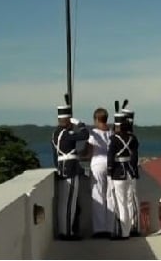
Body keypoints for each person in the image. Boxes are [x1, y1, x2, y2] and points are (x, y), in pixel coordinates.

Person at [52, 97, 89, 240]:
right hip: (71, 170)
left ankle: (64, 231)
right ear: (67, 120)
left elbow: (55, 155)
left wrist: (58, 168)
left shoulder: (55, 133)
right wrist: (80, 123)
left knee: (63, 203)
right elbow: (85, 135)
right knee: (70, 203)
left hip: (62, 169)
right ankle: (67, 232)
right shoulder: (66, 133)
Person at [107, 111, 139, 240]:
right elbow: (134, 157)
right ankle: (130, 229)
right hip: (130, 172)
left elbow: (110, 158)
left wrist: (109, 172)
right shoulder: (133, 139)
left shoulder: (114, 139)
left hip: (118, 173)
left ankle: (123, 233)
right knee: (129, 202)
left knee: (121, 204)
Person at [83, 107, 113, 238]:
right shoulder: (112, 133)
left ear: (96, 119)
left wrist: (80, 156)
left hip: (97, 165)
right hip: (111, 165)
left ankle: (100, 229)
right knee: (110, 196)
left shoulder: (93, 133)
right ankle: (111, 227)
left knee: (98, 196)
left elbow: (88, 153)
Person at [121, 99, 140, 236]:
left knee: (131, 200)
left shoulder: (130, 138)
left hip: (129, 171)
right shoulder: (130, 137)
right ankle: (130, 225)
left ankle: (135, 226)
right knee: (128, 200)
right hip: (126, 171)